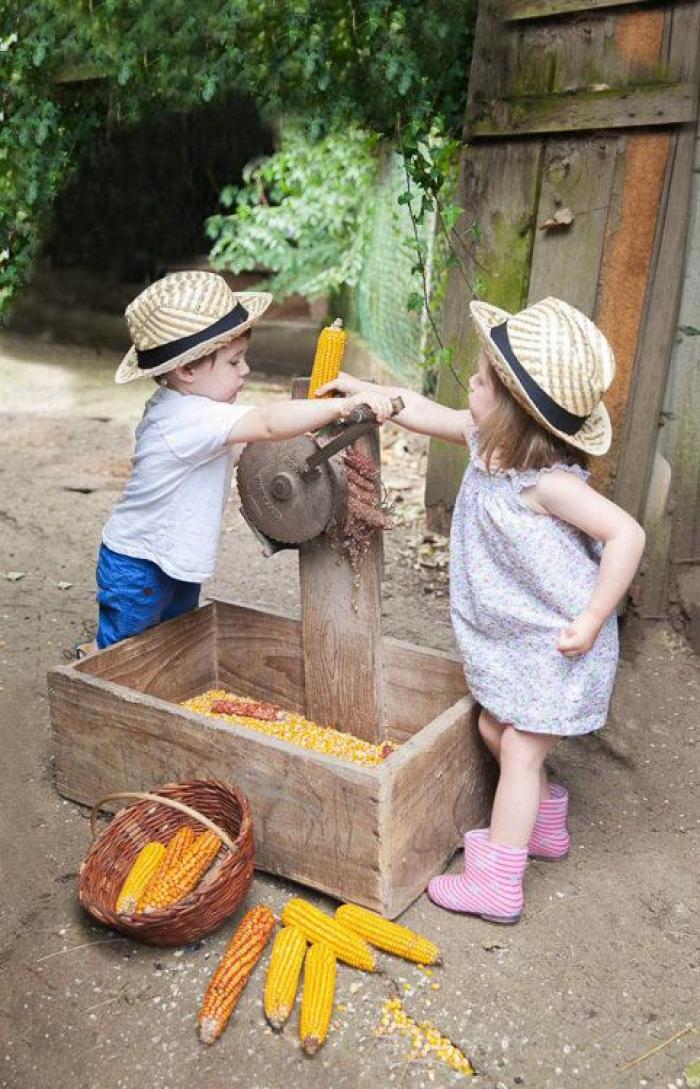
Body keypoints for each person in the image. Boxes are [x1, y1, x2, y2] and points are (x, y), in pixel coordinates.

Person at [316, 296, 646, 924]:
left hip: (561, 639)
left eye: (483, 381)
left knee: (519, 749)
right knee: (496, 730)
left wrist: (596, 617)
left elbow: (628, 534)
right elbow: (419, 410)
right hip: (523, 634)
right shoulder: (484, 444)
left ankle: (497, 882)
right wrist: (368, 391)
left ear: (514, 413)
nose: (470, 382)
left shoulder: (547, 485)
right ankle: (544, 825)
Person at [91, 270, 394, 651]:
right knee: (122, 654)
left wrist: (300, 439)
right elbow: (266, 424)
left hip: (174, 561)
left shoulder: (196, 412)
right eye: (234, 362)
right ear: (186, 370)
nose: (246, 371)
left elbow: (249, 448)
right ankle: (95, 692)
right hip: (139, 565)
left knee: (171, 648)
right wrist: (342, 406)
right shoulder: (186, 418)